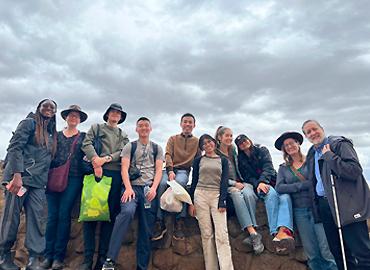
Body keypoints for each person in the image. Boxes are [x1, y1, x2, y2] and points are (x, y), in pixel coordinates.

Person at [302, 120, 370, 270]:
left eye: (315, 129)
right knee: (339, 254)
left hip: (347, 205)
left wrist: (330, 156)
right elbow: (313, 181)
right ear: (306, 136)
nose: (313, 133)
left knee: (362, 253)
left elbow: (354, 170)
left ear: (322, 129)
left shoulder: (339, 144)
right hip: (325, 206)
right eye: (308, 132)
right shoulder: (312, 153)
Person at [0, 99, 58, 270]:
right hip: (20, 180)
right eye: (45, 106)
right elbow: (14, 148)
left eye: (52, 107)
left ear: (55, 112)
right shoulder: (29, 123)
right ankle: (4, 257)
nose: (48, 108)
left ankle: (34, 259)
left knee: (37, 220)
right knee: (11, 218)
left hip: (38, 184)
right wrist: (17, 175)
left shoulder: (50, 133)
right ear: (39, 108)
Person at [102, 117, 164, 270]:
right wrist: (128, 188)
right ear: (136, 129)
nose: (143, 128)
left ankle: (141, 267)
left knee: (146, 228)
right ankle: (110, 259)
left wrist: (154, 188)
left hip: (148, 189)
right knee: (127, 212)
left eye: (146, 126)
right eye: (140, 126)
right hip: (131, 188)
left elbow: (158, 171)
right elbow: (124, 169)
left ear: (150, 129)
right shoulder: (130, 146)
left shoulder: (157, 148)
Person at [275, 131, 337, 270]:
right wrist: (302, 186)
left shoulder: (311, 161)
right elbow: (279, 187)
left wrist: (298, 186)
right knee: (311, 252)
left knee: (326, 249)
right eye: (286, 145)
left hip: (317, 208)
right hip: (299, 211)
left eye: (292, 143)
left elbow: (319, 180)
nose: (290, 146)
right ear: (284, 149)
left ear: (298, 144)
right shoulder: (283, 168)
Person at [80, 103, 129, 270]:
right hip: (96, 175)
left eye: (118, 113)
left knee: (109, 218)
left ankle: (101, 259)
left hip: (114, 176)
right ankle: (87, 259)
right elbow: (86, 144)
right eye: (113, 112)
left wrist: (105, 159)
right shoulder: (96, 128)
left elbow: (123, 152)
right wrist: (96, 162)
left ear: (121, 117)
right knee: (90, 216)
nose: (115, 115)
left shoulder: (123, 134)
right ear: (107, 114)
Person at [40, 105, 88, 270]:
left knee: (63, 215)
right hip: (53, 176)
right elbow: (47, 154)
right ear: (66, 118)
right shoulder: (56, 136)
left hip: (73, 178)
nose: (73, 118)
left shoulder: (83, 137)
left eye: (77, 116)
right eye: (71, 115)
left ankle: (58, 258)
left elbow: (90, 155)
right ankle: (48, 255)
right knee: (52, 217)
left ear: (80, 120)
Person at [234, 134, 295, 255]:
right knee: (270, 194)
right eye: (240, 143)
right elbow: (247, 177)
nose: (243, 144)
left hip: (272, 180)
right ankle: (274, 232)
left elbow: (268, 167)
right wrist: (258, 184)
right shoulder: (241, 159)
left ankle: (284, 230)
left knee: (286, 197)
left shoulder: (262, 150)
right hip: (259, 185)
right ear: (238, 147)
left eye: (244, 140)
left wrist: (263, 181)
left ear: (249, 140)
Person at [215, 126, 264, 254]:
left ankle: (254, 234)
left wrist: (242, 182)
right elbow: (216, 177)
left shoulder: (234, 150)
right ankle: (253, 233)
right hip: (228, 185)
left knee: (249, 194)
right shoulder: (215, 154)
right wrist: (233, 183)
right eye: (227, 135)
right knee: (237, 195)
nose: (230, 138)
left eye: (231, 135)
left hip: (241, 181)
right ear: (219, 138)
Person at [188, 134, 234, 270]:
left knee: (222, 234)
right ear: (201, 147)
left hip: (217, 195)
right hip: (200, 196)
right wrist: (191, 203)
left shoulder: (223, 161)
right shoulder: (198, 161)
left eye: (209, 142)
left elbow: (224, 182)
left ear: (214, 142)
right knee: (207, 235)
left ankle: (227, 267)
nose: (207, 145)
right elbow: (194, 181)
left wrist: (222, 201)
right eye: (204, 144)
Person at [153, 113, 199, 241]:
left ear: (194, 125)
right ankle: (159, 221)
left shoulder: (197, 141)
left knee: (179, 185)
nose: (188, 124)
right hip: (169, 169)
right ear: (181, 124)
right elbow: (168, 155)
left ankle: (180, 221)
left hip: (184, 171)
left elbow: (198, 160)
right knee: (161, 185)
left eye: (190, 122)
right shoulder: (172, 139)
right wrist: (170, 170)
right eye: (185, 122)